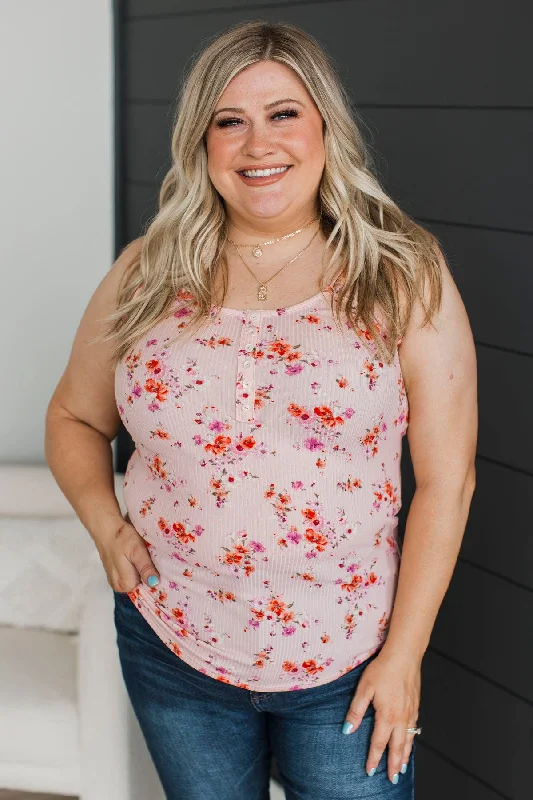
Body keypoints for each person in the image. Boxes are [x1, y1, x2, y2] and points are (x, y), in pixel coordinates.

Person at [45, 19, 477, 800]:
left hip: (346, 658)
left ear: (323, 129)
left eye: (282, 113)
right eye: (229, 120)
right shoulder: (147, 271)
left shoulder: (400, 271)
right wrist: (105, 526)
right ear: (200, 140)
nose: (256, 144)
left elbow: (448, 481)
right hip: (172, 642)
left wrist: (403, 654)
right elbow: (74, 417)